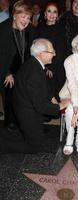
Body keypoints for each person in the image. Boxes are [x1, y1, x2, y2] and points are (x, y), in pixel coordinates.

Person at [0, 38, 69, 153]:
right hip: (26, 110)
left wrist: (53, 99)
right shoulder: (34, 73)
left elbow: (46, 87)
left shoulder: (35, 63)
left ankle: (26, 130)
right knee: (35, 147)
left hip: (25, 104)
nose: (54, 54)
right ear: (42, 54)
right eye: (52, 52)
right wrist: (60, 105)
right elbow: (40, 106)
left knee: (35, 134)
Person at [0, 0, 34, 131]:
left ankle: (22, 121)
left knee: (22, 97)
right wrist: (7, 73)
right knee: (9, 94)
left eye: (28, 17)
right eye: (23, 16)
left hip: (22, 68)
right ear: (14, 15)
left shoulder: (29, 29)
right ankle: (9, 122)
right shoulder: (3, 29)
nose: (25, 20)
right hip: (6, 68)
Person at [34, 1, 67, 98]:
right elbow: (35, 47)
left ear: (57, 15)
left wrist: (50, 67)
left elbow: (61, 51)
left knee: (54, 96)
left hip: (55, 69)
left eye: (55, 12)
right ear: (45, 14)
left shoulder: (61, 29)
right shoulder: (40, 27)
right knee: (41, 96)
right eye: (49, 11)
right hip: (40, 67)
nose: (52, 14)